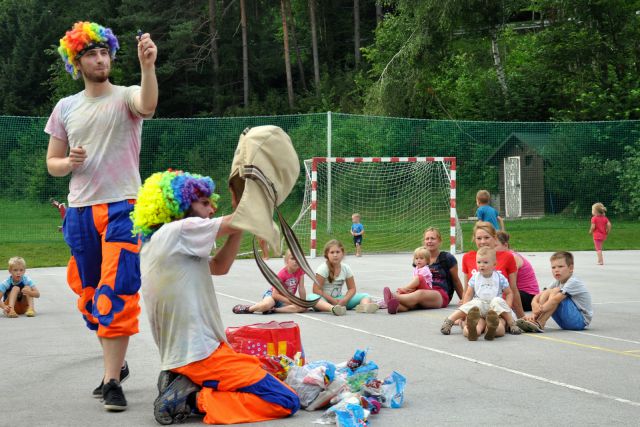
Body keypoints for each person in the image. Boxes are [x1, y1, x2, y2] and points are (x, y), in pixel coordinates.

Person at [45, 21, 158, 411]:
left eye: (104, 52)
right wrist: (67, 161)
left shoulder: (127, 96)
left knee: (117, 293)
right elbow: (52, 164)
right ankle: (118, 364)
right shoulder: (66, 107)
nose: (99, 59)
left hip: (123, 207)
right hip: (79, 211)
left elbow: (148, 105)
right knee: (92, 296)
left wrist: (147, 66)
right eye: (91, 54)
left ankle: (111, 382)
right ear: (77, 63)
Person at [132, 170, 300, 425]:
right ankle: (193, 399)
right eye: (204, 203)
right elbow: (240, 218)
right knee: (285, 399)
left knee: (262, 374)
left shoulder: (163, 242)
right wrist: (245, 202)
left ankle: (184, 382)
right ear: (181, 205)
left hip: (197, 352)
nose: (211, 209)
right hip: (201, 356)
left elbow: (220, 266)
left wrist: (239, 224)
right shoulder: (180, 230)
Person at [440, 247, 521, 340]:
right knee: (475, 303)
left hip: (495, 311)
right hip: (479, 309)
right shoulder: (475, 277)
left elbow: (509, 293)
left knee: (497, 301)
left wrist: (507, 307)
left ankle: (507, 325)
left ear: (494, 264)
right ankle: (457, 324)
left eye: (485, 262)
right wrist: (465, 312)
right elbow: (468, 294)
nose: (481, 265)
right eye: (479, 262)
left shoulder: (500, 277)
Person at [382, 227, 463, 314]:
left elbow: (456, 281)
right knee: (412, 301)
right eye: (427, 239)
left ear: (439, 241)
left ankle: (393, 296)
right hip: (421, 291)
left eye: (433, 238)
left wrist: (464, 299)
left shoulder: (447, 258)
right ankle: (395, 307)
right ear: (424, 242)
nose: (429, 241)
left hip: (439, 294)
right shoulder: (420, 258)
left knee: (420, 294)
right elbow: (416, 280)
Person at [232, 249, 340, 315]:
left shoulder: (300, 271)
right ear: (286, 260)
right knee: (266, 305)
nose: (296, 261)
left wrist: (302, 302)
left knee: (301, 308)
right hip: (274, 296)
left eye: (298, 259)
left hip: (288, 299)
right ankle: (248, 308)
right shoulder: (282, 274)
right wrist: (291, 301)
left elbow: (301, 288)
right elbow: (275, 294)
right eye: (293, 259)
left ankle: (274, 311)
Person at [460, 222, 524, 319]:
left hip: (498, 310)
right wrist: (462, 315)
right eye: (479, 238)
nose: (482, 241)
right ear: (474, 239)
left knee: (498, 329)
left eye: (486, 237)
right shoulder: (467, 257)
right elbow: (466, 291)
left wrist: (521, 316)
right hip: (477, 309)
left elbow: (513, 290)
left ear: (494, 238)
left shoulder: (508, 257)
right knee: (468, 329)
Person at [517, 251, 593, 333]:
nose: (556, 270)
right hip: (564, 322)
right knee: (548, 291)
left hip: (579, 321)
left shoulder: (574, 281)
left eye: (560, 266)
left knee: (556, 291)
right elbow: (540, 295)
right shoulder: (557, 282)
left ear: (570, 268)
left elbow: (555, 300)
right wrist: (534, 304)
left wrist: (536, 312)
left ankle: (540, 322)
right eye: (553, 267)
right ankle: (535, 321)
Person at [308, 239, 378, 313]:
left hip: (339, 300)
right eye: (332, 252)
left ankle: (365, 306)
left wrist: (345, 300)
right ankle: (332, 309)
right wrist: (332, 301)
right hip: (324, 301)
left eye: (338, 252)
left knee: (365, 295)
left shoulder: (346, 268)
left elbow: (352, 288)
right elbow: (316, 290)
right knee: (311, 297)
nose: (335, 255)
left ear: (342, 253)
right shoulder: (323, 268)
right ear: (327, 255)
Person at [495, 231, 540, 312]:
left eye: (495, 246)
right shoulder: (500, 258)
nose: (492, 249)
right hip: (519, 293)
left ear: (505, 245)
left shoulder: (513, 258)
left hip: (529, 297)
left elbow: (509, 286)